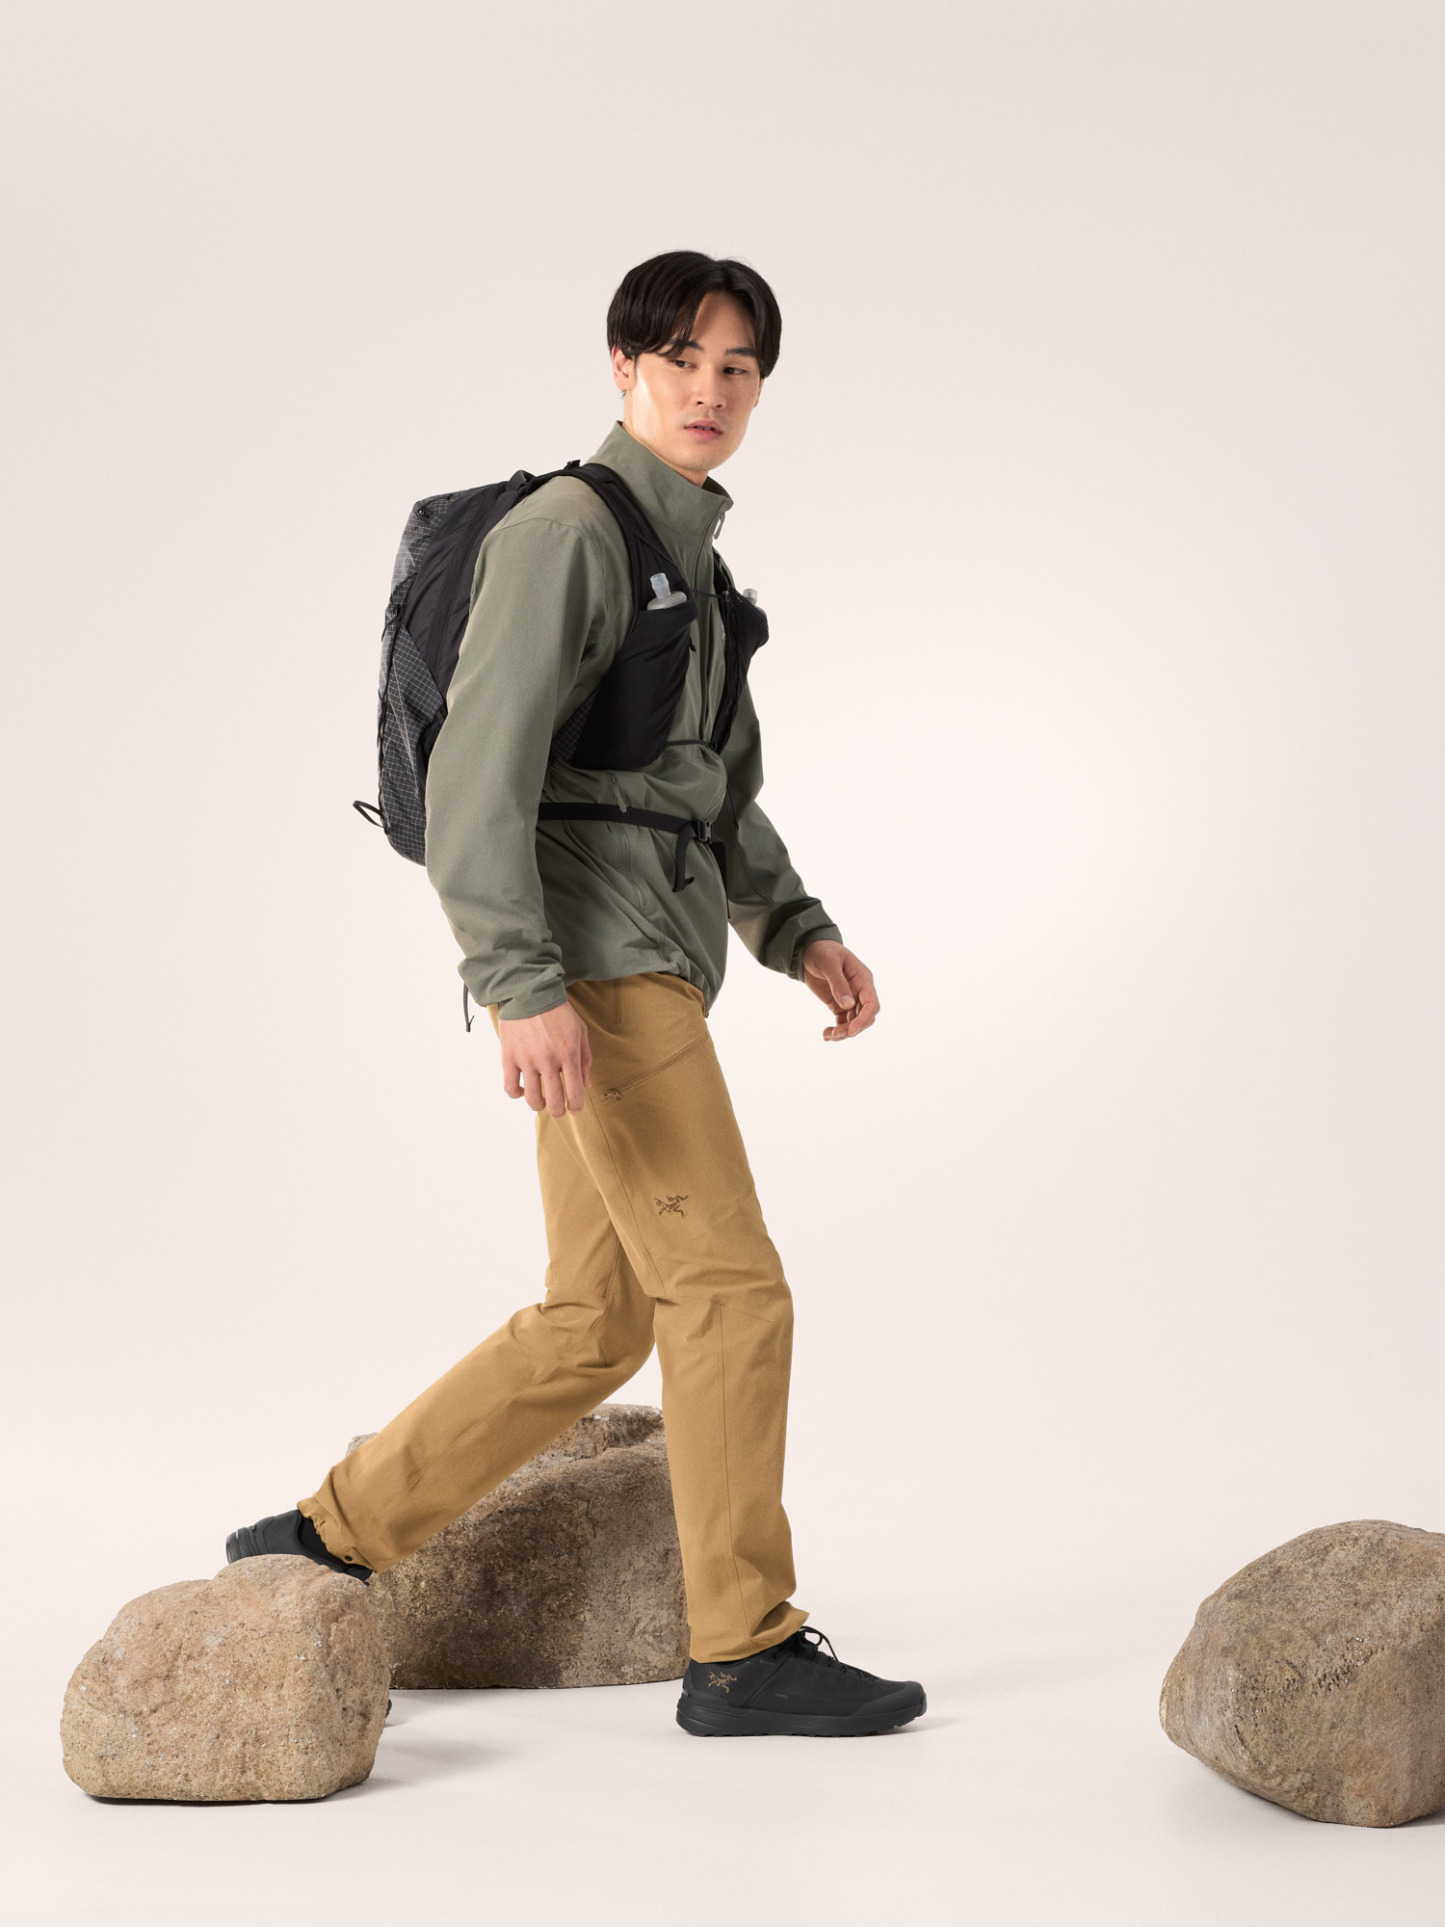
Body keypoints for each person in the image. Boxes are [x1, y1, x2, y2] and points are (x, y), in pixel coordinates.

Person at [228, 250, 926, 1739]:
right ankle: (742, 1647)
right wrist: (516, 982)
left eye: (738, 368)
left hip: (645, 950)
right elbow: (477, 777)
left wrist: (797, 929)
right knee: (728, 1290)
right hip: (593, 967)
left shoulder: (698, 566)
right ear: (623, 368)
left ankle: (321, 1537)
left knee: (594, 1319)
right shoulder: (569, 532)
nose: (710, 389)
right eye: (681, 359)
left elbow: (710, 792)